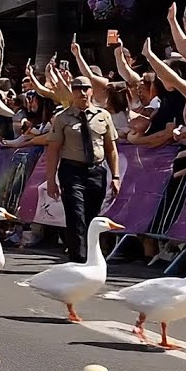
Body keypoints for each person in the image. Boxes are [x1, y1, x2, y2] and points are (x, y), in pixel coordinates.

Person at [45, 76, 122, 263]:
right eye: (77, 88)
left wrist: (116, 176)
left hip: (96, 171)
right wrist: (50, 180)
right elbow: (53, 150)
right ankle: (78, 259)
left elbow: (111, 149)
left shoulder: (103, 116)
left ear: (91, 91)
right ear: (72, 92)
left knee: (92, 216)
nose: (82, 92)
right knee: (75, 214)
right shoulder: (63, 118)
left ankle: (91, 256)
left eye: (85, 88)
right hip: (72, 171)